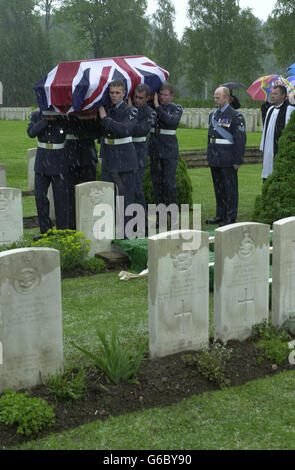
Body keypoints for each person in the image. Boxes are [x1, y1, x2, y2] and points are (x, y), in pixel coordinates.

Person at [98, 79, 138, 237]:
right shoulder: (106, 109)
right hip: (109, 157)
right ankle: (109, 232)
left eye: (117, 93)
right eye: (111, 93)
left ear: (124, 93)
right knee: (108, 197)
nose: (114, 96)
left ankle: (127, 234)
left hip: (125, 159)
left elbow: (124, 130)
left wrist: (105, 119)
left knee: (125, 198)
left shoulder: (131, 110)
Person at [206, 86, 246, 227]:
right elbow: (210, 137)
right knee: (219, 188)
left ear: (227, 98)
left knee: (230, 189)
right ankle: (220, 214)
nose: (215, 99)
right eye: (215, 97)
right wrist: (209, 155)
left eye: (218, 97)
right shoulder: (213, 115)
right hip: (215, 157)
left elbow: (240, 140)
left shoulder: (236, 116)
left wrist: (238, 160)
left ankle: (230, 216)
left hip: (228, 158)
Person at [27, 109, 69, 239]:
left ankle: (62, 231)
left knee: (61, 199)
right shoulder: (36, 115)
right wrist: (46, 120)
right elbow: (31, 133)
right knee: (40, 198)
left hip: (59, 162)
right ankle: (45, 231)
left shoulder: (64, 116)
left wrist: (58, 116)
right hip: (42, 162)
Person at [148, 83, 183, 207]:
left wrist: (158, 107)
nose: (162, 97)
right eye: (160, 95)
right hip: (155, 148)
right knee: (157, 184)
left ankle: (172, 213)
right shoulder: (151, 107)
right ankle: (160, 215)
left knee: (169, 183)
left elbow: (171, 122)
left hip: (169, 150)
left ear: (172, 95)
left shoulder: (176, 108)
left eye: (165, 95)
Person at [129, 84, 156, 234]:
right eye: (135, 97)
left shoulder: (150, 113)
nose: (137, 100)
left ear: (147, 98)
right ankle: (130, 221)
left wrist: (130, 117)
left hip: (138, 151)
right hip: (126, 151)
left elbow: (140, 130)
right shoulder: (129, 109)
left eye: (140, 98)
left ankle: (142, 223)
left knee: (137, 189)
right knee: (126, 189)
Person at [66, 109, 99, 229]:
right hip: (71, 157)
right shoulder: (68, 113)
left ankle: (89, 223)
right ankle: (72, 225)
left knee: (89, 193)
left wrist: (89, 117)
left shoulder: (93, 109)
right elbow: (69, 128)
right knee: (70, 194)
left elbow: (97, 132)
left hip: (87, 156)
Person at [260, 85, 295, 181]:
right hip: (268, 148)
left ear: (283, 95)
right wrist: (263, 146)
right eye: (272, 93)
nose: (272, 96)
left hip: (280, 149)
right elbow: (266, 130)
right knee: (268, 173)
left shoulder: (289, 110)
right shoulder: (270, 109)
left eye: (276, 94)